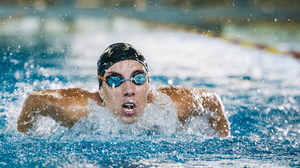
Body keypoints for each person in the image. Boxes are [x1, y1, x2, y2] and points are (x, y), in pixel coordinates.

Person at [17, 43, 230, 137]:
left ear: (148, 85)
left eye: (138, 79)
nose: (129, 90)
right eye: (115, 81)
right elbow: (33, 101)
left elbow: (213, 101)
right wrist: (25, 139)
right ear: (100, 90)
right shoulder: (76, 109)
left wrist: (223, 142)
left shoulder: (171, 107)